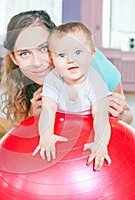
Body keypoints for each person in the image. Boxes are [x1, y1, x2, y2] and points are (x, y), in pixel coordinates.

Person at [1, 10, 133, 125]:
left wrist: (119, 115)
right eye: (24, 53)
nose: (36, 62)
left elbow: (128, 116)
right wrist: (31, 117)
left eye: (44, 48)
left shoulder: (94, 66)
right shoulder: (22, 80)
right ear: (14, 58)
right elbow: (20, 128)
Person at [32, 22, 111, 171]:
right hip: (63, 122)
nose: (70, 59)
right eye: (62, 55)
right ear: (52, 59)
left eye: (78, 52)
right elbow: (48, 108)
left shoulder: (96, 81)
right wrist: (46, 135)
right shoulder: (52, 79)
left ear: (92, 55)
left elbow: (100, 114)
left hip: (90, 123)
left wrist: (100, 142)